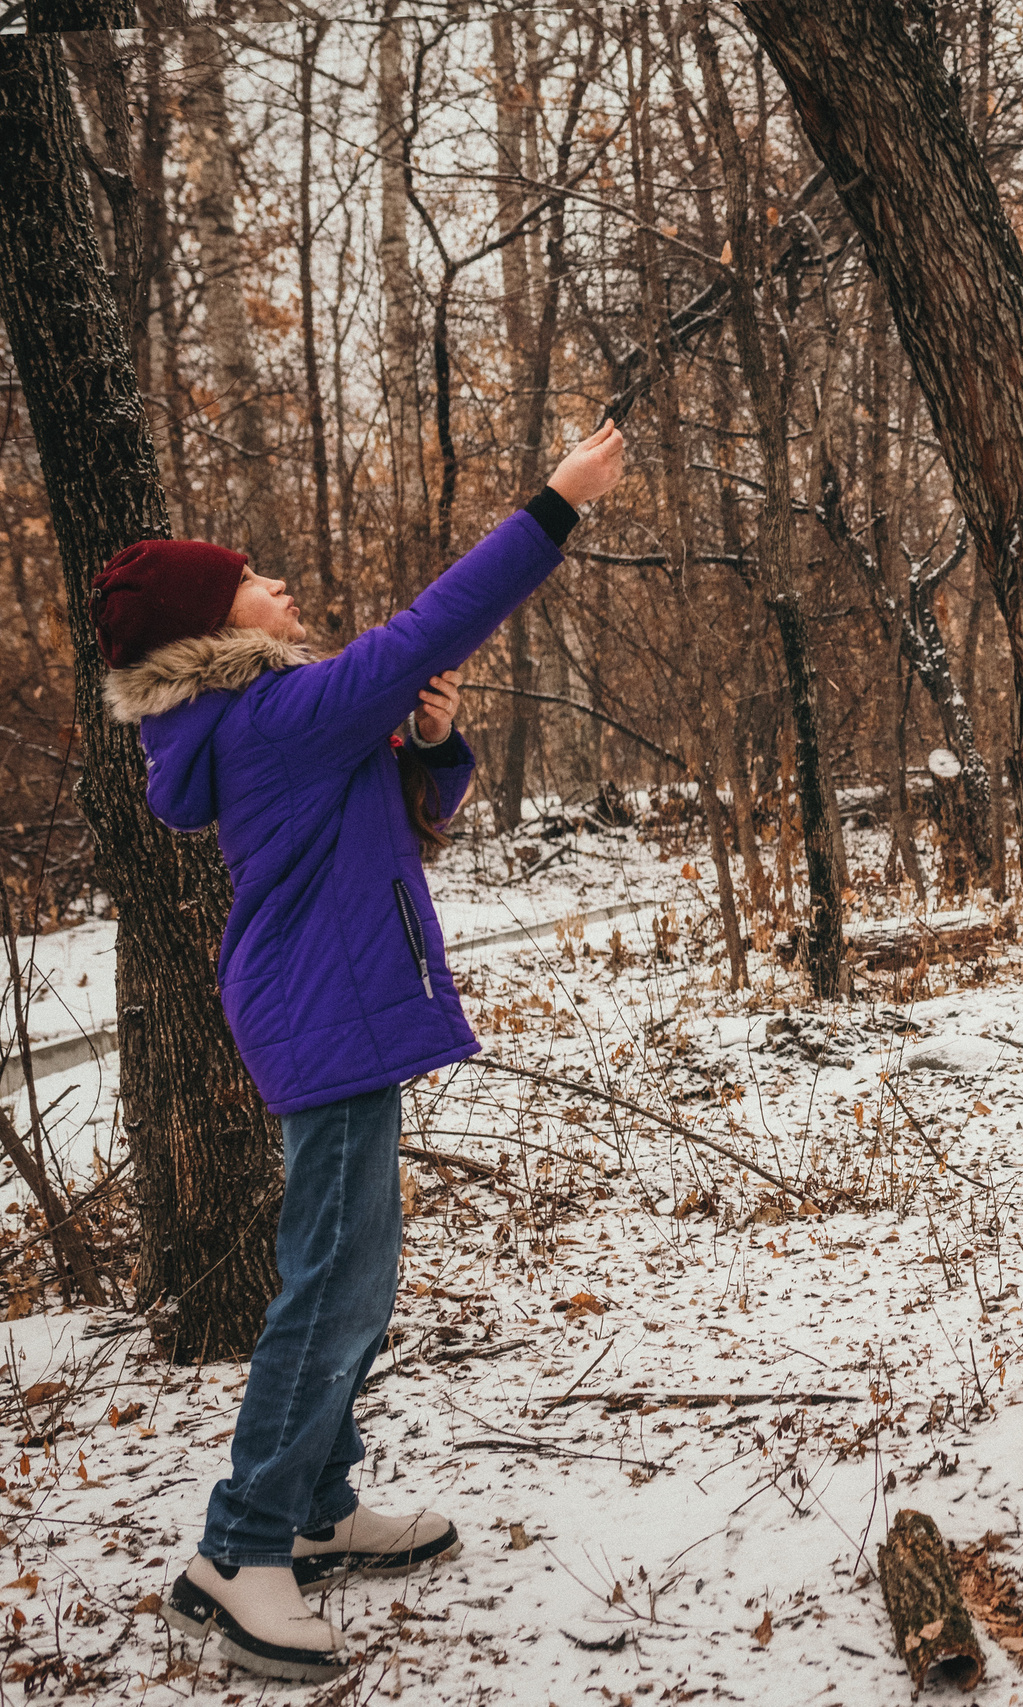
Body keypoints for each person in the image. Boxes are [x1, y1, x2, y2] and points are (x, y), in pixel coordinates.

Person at [94, 423, 627, 1681]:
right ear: (215, 623)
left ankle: (322, 1508)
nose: (280, 586)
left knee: (357, 1278)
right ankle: (241, 1552)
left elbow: (410, 817)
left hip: (335, 1002)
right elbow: (431, 623)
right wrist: (555, 504)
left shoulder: (271, 719)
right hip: (322, 1011)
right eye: (254, 579)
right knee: (330, 1284)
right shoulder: (271, 710)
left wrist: (431, 742)